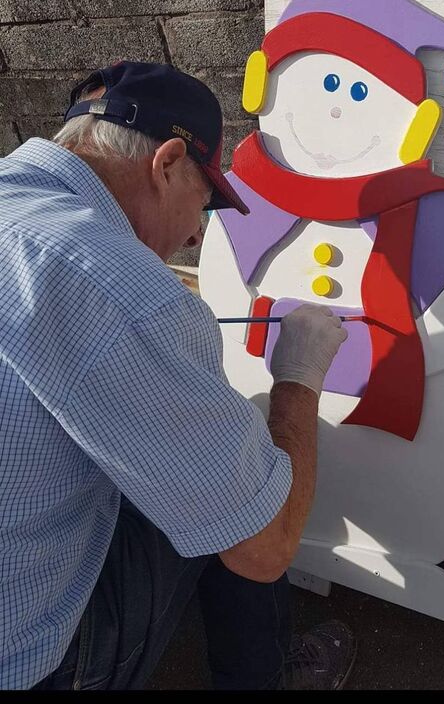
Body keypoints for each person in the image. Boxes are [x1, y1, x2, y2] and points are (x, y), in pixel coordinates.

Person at [0, 61, 355, 690]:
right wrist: (299, 376)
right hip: (30, 663)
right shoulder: (115, 283)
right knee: (241, 488)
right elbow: (267, 547)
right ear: (165, 164)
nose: (196, 232)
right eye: (205, 201)